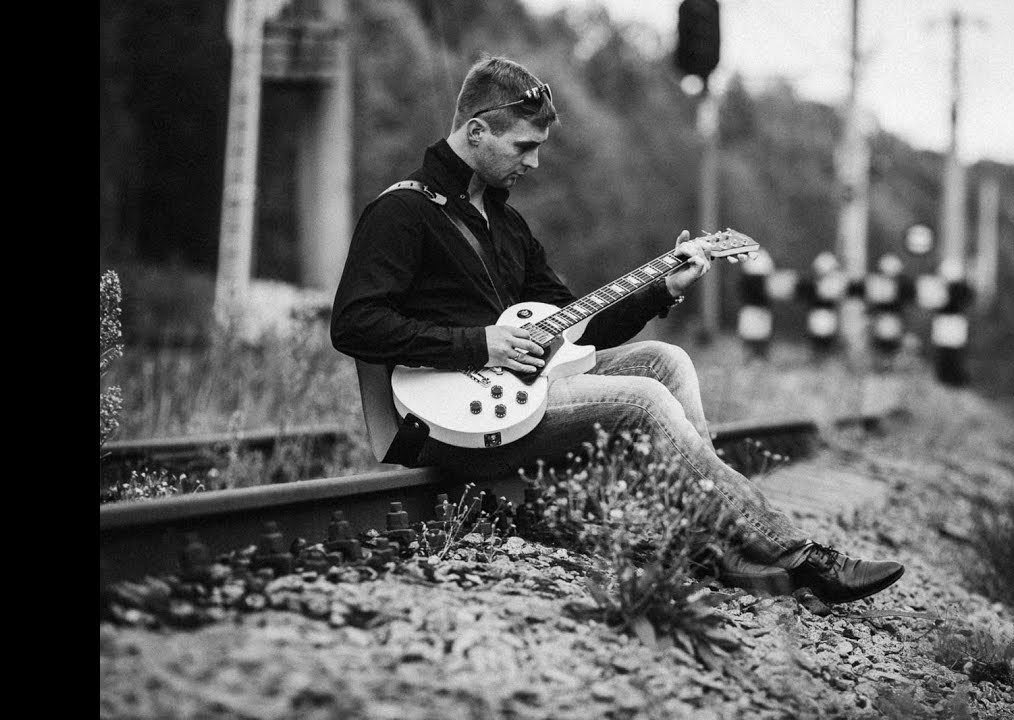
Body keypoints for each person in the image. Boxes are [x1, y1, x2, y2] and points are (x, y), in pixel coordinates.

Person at [330, 55, 903, 604]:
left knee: (665, 361)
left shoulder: (507, 223)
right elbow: (355, 323)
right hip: (450, 421)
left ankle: (713, 544)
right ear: (476, 131)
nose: (533, 163)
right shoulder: (402, 212)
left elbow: (577, 328)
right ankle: (795, 552)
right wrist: (479, 343)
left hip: (521, 398)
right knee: (642, 400)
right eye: (523, 147)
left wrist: (662, 289)